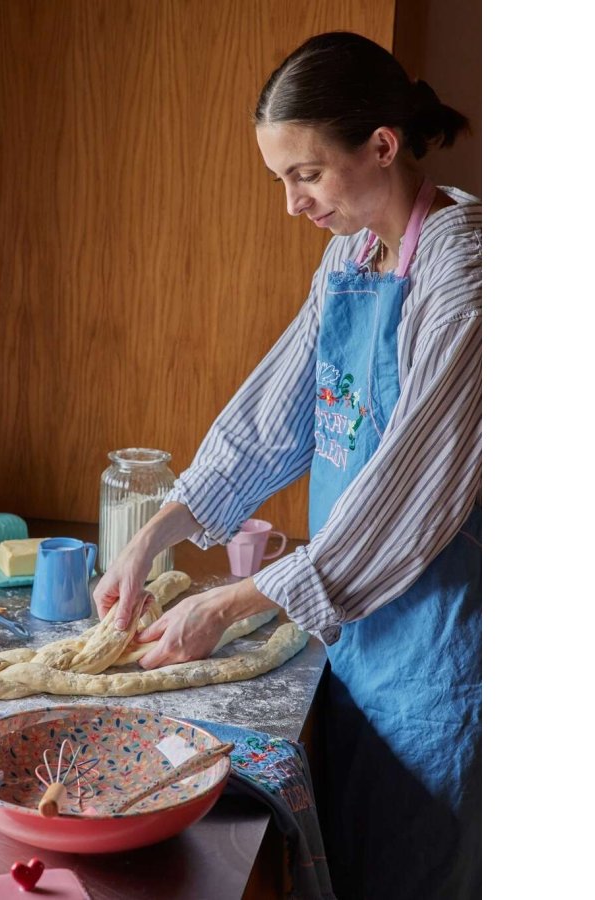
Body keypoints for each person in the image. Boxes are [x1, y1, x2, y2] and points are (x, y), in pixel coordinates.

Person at [93, 31, 481, 900]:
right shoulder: (349, 257)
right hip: (352, 636)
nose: (293, 203)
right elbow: (273, 416)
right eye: (281, 181)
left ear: (382, 144)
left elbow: (404, 504)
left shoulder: (468, 278)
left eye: (306, 174)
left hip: (439, 648)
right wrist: (154, 536)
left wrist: (228, 603)